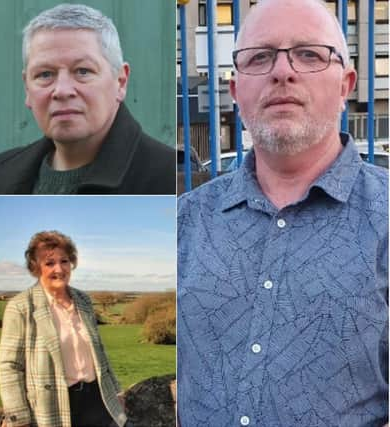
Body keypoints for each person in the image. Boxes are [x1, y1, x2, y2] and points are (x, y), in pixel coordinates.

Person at [177, 1, 388, 426]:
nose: (282, 71)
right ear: (236, 92)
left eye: (309, 54)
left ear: (345, 84)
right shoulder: (184, 221)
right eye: (260, 57)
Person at [0, 4, 175, 195]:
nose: (62, 90)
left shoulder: (166, 178)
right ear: (27, 87)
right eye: (45, 74)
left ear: (120, 82)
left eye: (83, 71)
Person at [0, 231, 127, 427]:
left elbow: (100, 352)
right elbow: (9, 366)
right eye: (49, 263)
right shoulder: (21, 307)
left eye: (64, 261)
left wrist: (116, 392)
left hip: (97, 400)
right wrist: (18, 417)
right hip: (53, 405)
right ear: (36, 267)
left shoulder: (83, 300)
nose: (59, 269)